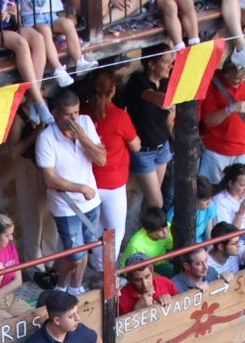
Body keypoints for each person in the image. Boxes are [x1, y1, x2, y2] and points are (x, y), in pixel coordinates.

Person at [35, 89, 106, 297]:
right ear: (56, 113)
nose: (73, 119)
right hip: (66, 206)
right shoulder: (46, 138)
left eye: (76, 112)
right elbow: (49, 179)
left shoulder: (85, 123)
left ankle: (64, 286)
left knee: (79, 250)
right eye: (68, 114)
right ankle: (74, 289)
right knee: (77, 254)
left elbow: (101, 159)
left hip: (91, 203)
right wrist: (80, 188)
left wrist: (82, 136)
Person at [0, 0, 53, 126]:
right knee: (21, 43)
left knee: (38, 38)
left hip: (10, 30)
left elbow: (19, 24)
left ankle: (32, 100)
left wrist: (15, 13)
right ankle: (39, 101)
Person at [87, 70, 139, 273]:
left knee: (96, 228)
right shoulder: (119, 116)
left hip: (91, 181)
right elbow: (135, 145)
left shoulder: (84, 112)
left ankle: (95, 263)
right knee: (115, 231)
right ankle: (105, 272)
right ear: (113, 90)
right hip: (113, 183)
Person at [117, 45, 176, 216]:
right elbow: (154, 97)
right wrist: (178, 95)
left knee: (151, 200)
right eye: (166, 62)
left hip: (162, 147)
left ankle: (147, 231)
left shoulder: (165, 82)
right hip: (144, 152)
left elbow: (169, 117)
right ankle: (150, 235)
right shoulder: (137, 82)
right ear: (151, 64)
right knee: (157, 201)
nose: (170, 66)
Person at [200, 64, 245, 185]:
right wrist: (229, 109)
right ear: (227, 73)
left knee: (238, 192)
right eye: (237, 78)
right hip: (218, 151)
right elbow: (208, 121)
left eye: (244, 77)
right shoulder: (213, 83)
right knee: (211, 190)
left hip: (244, 149)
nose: (241, 81)